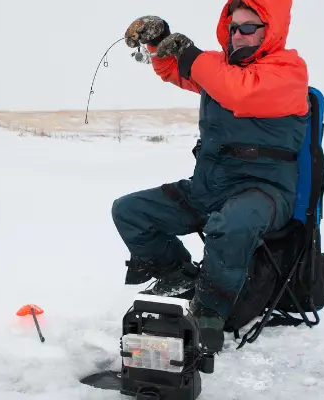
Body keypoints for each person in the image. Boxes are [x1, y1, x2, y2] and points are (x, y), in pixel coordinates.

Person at [112, 0, 310, 352]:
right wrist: (160, 43)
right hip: (210, 187)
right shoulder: (220, 67)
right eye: (234, 27)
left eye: (249, 27)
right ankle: (177, 276)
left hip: (264, 191)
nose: (238, 35)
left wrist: (190, 55)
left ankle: (210, 312)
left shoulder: (288, 71)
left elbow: (240, 90)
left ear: (271, 31)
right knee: (130, 211)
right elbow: (178, 70)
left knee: (230, 224)